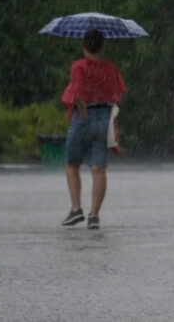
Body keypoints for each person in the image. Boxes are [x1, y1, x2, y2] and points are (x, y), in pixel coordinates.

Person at [59, 28, 126, 230]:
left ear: (84, 45)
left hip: (84, 116)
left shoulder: (78, 66)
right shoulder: (111, 68)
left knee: (72, 164)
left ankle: (76, 208)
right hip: (104, 117)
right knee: (99, 169)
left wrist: (82, 109)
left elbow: (77, 91)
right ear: (102, 46)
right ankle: (94, 215)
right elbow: (118, 92)